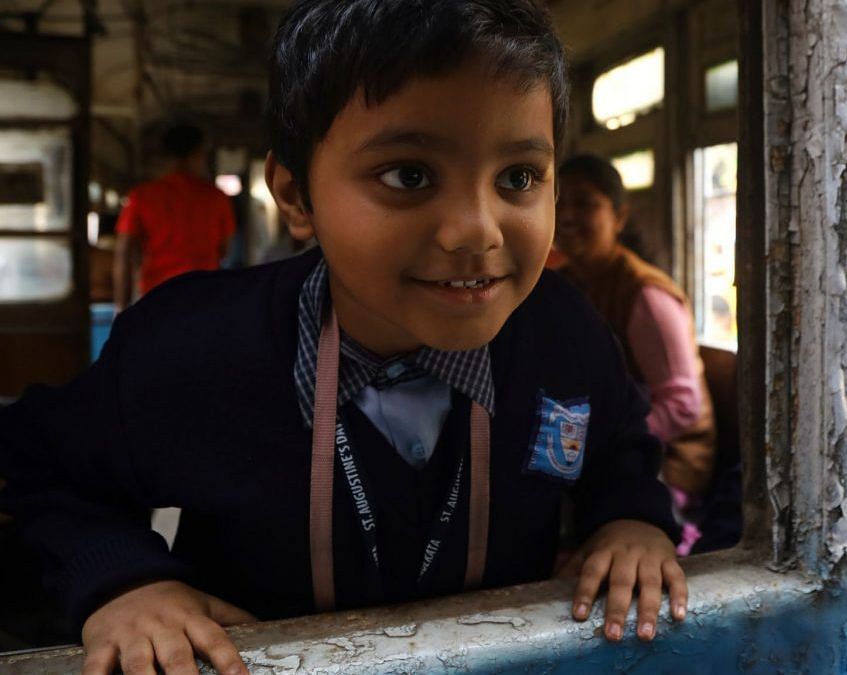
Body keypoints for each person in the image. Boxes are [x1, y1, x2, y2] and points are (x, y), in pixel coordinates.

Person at [0, 2, 686, 673]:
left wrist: (630, 518)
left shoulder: (563, 331)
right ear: (296, 197)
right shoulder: (188, 347)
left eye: (519, 177)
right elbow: (44, 465)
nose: (478, 229)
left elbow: (619, 448)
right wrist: (124, 580)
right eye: (408, 175)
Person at [554, 155, 716, 554]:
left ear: (619, 217)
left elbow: (682, 405)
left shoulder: (646, 295)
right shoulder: (564, 286)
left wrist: (601, 443)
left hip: (672, 459)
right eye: (558, 204)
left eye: (585, 205)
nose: (567, 218)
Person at [113, 123, 235, 311]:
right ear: (198, 154)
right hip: (204, 299)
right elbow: (225, 250)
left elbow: (123, 253)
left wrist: (120, 307)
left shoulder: (141, 196)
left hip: (156, 298)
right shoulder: (217, 198)